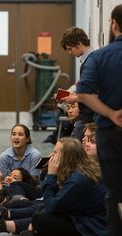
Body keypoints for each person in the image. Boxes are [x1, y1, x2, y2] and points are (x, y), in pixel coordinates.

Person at [0, 137, 108, 236]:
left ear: (66, 157)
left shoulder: (77, 179)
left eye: (55, 152)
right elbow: (55, 200)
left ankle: (2, 220)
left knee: (41, 216)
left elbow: (51, 205)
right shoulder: (80, 170)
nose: (51, 155)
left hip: (90, 227)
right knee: (40, 212)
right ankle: (2, 222)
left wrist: (51, 175)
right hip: (83, 217)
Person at [76, 4, 122, 236]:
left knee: (113, 191)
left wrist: (110, 113)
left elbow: (83, 92)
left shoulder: (101, 56)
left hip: (111, 132)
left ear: (113, 24)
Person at [59, 26, 95, 140]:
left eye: (70, 49)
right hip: (86, 115)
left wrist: (74, 99)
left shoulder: (91, 63)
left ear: (79, 44)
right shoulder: (88, 62)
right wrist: (69, 94)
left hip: (88, 116)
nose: (69, 53)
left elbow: (95, 94)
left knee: (72, 151)